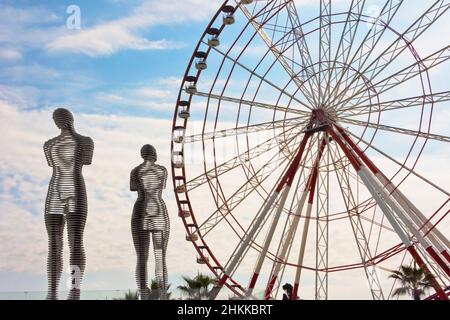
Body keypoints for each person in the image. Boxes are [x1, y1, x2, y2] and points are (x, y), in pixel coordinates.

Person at [43, 108, 94, 300]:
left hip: (75, 190)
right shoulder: (48, 144)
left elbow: (84, 161)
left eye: (60, 118)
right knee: (54, 243)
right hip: (54, 192)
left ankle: (74, 291)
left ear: (70, 119)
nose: (58, 121)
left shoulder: (86, 141)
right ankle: (52, 292)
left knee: (75, 242)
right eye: (55, 119)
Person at [130, 145, 170, 300]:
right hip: (159, 210)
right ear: (155, 155)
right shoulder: (163, 170)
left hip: (141, 209)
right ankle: (162, 293)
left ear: (142, 155)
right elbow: (162, 187)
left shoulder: (135, 171)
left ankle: (143, 293)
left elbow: (133, 187)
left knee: (141, 257)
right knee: (160, 256)